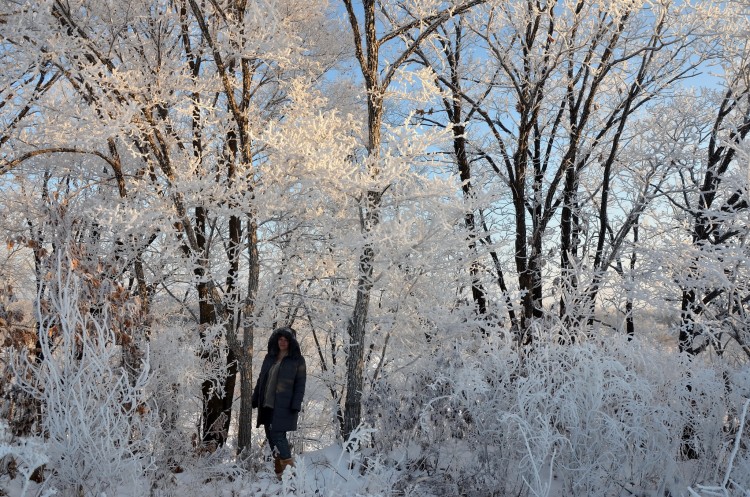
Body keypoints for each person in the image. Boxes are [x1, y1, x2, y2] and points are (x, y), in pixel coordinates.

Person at [251, 326, 306, 479]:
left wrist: (296, 404)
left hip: (283, 406)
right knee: (271, 438)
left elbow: (300, 384)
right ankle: (280, 474)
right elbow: (261, 379)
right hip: (266, 404)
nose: (282, 342)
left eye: (286, 340)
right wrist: (255, 397)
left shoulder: (297, 361)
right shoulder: (270, 357)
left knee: (278, 436)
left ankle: (291, 475)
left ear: (291, 342)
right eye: (280, 339)